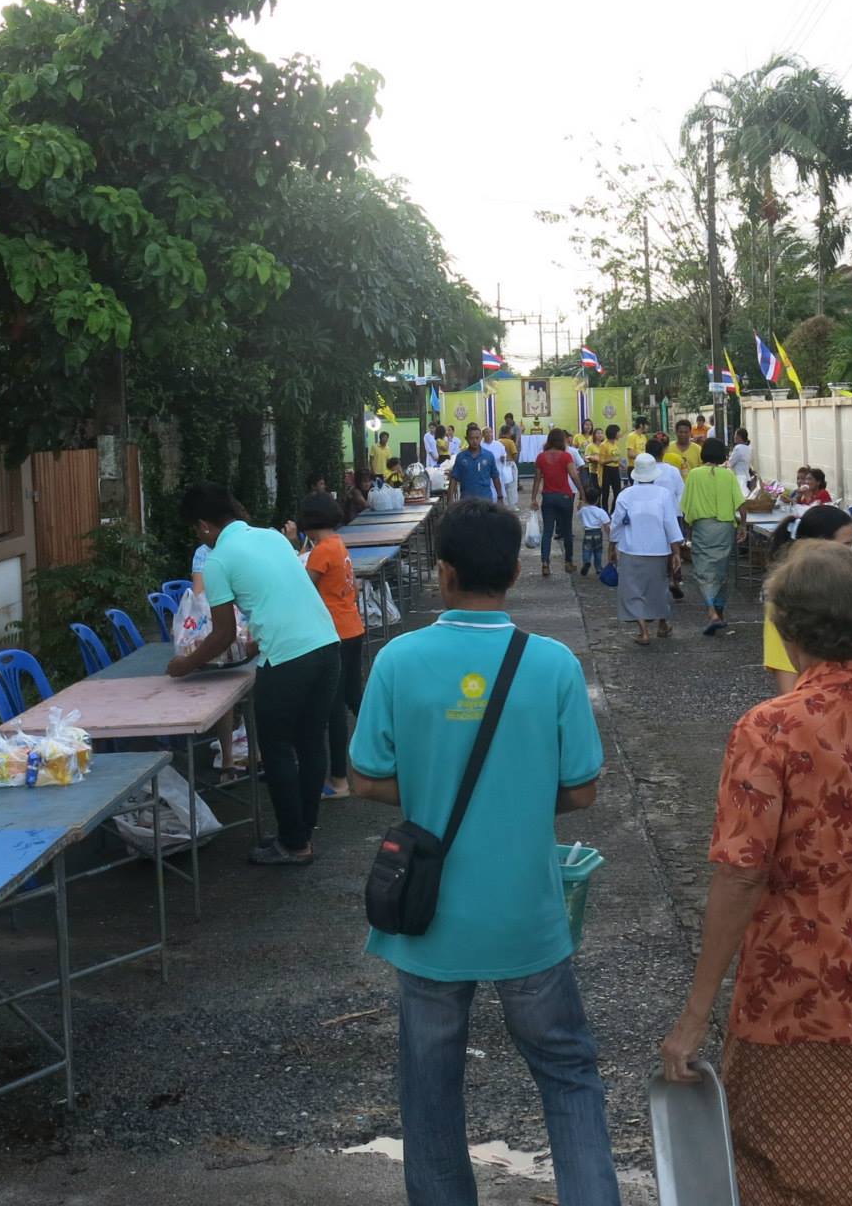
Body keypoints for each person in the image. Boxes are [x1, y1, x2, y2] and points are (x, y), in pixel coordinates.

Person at [660, 542, 852, 1204]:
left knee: (783, 1169)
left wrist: (696, 1013)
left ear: (788, 627)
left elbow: (740, 875)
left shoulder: (769, 728)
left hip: (794, 981)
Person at [347, 501, 619, 1206]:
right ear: (517, 572)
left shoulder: (398, 659)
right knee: (568, 1076)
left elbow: (366, 778)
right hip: (527, 916)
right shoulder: (552, 663)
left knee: (431, 1094)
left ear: (443, 573)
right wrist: (521, 792)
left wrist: (431, 785)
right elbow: (582, 790)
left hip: (429, 919)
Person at [171, 483, 341, 866]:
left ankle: (293, 843)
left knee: (276, 748)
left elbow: (222, 634)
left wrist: (185, 664)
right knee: (311, 742)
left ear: (204, 525)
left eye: (195, 529)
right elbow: (279, 597)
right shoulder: (272, 537)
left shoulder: (217, 561)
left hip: (287, 659)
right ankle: (301, 833)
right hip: (326, 645)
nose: (198, 537)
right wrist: (254, 643)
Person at [294, 493, 368, 801]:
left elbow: (300, 588)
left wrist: (291, 545)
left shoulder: (321, 551)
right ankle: (389, 749)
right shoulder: (337, 544)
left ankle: (339, 781)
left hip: (334, 634)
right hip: (353, 627)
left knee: (334, 709)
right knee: (354, 697)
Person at [759, 503, 852, 694]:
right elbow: (785, 672)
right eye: (846, 546)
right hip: (810, 698)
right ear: (817, 545)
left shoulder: (837, 584)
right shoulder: (785, 597)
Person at [610, 451, 684, 643]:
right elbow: (670, 524)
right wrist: (676, 552)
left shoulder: (625, 495)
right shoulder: (664, 494)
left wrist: (612, 546)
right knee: (658, 590)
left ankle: (643, 631)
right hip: (658, 550)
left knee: (633, 590)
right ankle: (662, 624)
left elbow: (616, 523)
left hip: (630, 548)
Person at [682, 436, 746, 636]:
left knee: (703, 571)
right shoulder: (728, 475)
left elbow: (686, 506)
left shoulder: (694, 474)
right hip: (725, 527)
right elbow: (741, 503)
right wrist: (743, 526)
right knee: (721, 570)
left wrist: (688, 531)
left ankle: (712, 613)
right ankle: (720, 611)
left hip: (703, 527)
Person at [533, 427, 579, 577]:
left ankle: (545, 563)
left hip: (548, 497)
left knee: (547, 531)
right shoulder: (566, 456)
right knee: (567, 530)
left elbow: (537, 479)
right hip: (565, 496)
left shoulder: (541, 457)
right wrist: (583, 493)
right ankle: (568, 562)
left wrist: (533, 498)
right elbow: (574, 475)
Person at [648, 435, 689, 599]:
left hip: (652, 515)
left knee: (656, 548)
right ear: (663, 452)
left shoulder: (644, 472)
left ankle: (657, 580)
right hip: (672, 513)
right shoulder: (672, 471)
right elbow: (681, 492)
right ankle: (674, 579)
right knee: (674, 547)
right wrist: (679, 511)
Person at [449, 421, 503, 504]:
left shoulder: (489, 456)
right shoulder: (461, 457)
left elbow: (495, 477)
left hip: (485, 500)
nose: (474, 441)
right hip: (466, 501)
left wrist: (500, 497)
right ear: (466, 438)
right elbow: (454, 478)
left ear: (481, 438)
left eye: (477, 438)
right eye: (471, 438)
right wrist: (450, 499)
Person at [578, 495, 612, 577]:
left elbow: (578, 513)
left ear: (586, 500)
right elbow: (606, 524)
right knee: (598, 551)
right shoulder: (600, 511)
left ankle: (586, 562)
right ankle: (598, 568)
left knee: (586, 550)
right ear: (597, 500)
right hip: (597, 533)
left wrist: (580, 503)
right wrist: (610, 536)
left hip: (587, 533)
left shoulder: (583, 510)